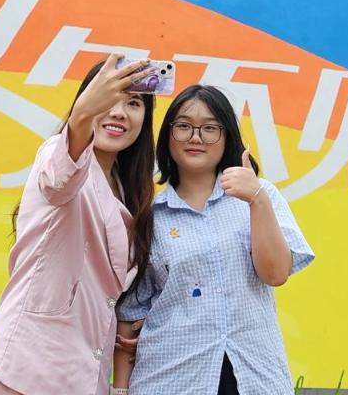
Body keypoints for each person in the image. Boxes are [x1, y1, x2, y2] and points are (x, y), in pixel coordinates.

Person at [0, 54, 157, 395]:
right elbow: (61, 179)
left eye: (133, 103)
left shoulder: (129, 193)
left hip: (85, 373)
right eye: (108, 97)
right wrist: (82, 117)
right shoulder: (59, 154)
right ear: (85, 101)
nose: (119, 112)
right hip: (29, 367)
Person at [114, 84, 315, 394]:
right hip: (170, 378)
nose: (196, 138)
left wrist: (257, 200)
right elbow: (131, 313)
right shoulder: (149, 216)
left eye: (210, 128)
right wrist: (119, 389)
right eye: (183, 126)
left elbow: (275, 273)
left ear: (227, 137)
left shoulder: (261, 195)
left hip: (255, 377)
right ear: (167, 136)